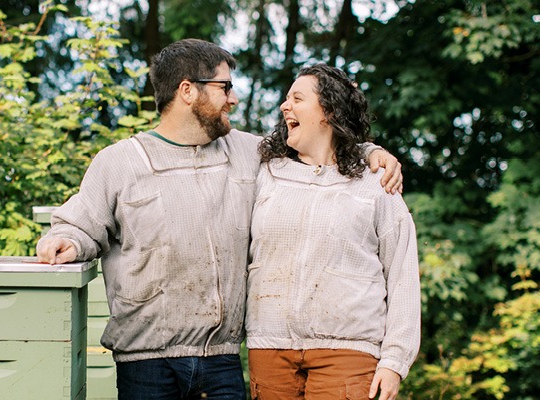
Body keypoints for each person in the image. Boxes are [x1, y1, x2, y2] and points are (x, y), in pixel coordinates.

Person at [36, 39, 402, 399]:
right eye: (224, 87)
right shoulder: (119, 162)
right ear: (188, 90)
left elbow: (318, 146)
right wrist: (67, 240)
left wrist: (370, 150)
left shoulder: (249, 153)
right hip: (145, 362)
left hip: (221, 361)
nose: (234, 98)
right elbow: (82, 223)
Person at [244, 63, 420, 400]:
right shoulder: (264, 171)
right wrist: (373, 148)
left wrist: (395, 360)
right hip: (270, 348)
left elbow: (402, 276)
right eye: (285, 99)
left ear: (329, 112)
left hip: (348, 352)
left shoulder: (375, 184)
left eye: (297, 99)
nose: (285, 106)